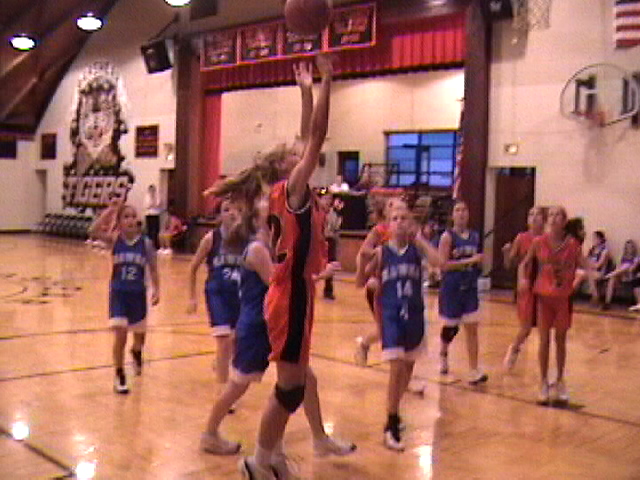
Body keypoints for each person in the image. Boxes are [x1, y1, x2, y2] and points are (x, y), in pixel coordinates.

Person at [205, 55, 335, 480]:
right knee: (290, 388)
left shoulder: (289, 188)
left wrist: (305, 90)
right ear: (287, 167)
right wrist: (327, 81)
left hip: (297, 290)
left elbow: (307, 136)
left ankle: (271, 457)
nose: (305, 155)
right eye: (296, 156)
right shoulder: (291, 189)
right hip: (289, 291)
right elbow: (316, 136)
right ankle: (259, 462)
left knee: (293, 384)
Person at [200, 197, 354, 459]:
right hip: (256, 328)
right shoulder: (257, 250)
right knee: (237, 385)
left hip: (273, 323)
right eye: (272, 213)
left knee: (306, 378)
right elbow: (279, 284)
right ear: (259, 220)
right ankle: (209, 433)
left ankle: (319, 438)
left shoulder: (272, 247)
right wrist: (320, 275)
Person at [359, 202, 440, 451]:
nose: (400, 222)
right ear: (389, 224)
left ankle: (394, 412)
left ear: (411, 223)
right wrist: (364, 267)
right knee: (396, 369)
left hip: (414, 316)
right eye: (395, 218)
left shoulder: (417, 249)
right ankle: (391, 423)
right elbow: (361, 280)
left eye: (404, 218)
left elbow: (439, 262)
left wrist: (421, 239)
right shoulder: (382, 252)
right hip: (392, 315)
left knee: (405, 373)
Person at [518, 206, 589, 404]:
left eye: (558, 215)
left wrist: (591, 274)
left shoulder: (572, 245)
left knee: (561, 340)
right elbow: (525, 263)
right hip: (544, 297)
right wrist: (523, 279)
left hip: (562, 298)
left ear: (564, 221)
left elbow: (585, 264)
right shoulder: (539, 242)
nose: (553, 217)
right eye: (551, 214)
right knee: (544, 340)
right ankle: (543, 382)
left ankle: (559, 380)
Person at [88, 204, 159, 394]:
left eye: (133, 216)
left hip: (138, 295)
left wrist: (156, 289)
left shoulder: (146, 244)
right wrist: (110, 211)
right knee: (120, 335)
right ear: (119, 222)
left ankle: (136, 351)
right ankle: (119, 373)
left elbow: (153, 269)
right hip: (119, 294)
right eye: (125, 216)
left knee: (139, 338)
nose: (130, 220)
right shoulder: (115, 240)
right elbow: (93, 231)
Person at [188, 197, 242, 387]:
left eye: (237, 209)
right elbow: (193, 267)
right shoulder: (211, 238)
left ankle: (221, 361)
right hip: (217, 293)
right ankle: (222, 390)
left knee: (236, 342)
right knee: (224, 340)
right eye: (227, 210)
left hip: (239, 294)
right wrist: (192, 298)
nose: (232, 213)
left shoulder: (248, 240)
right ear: (219, 216)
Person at [438, 200, 488, 385]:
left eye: (464, 210)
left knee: (472, 329)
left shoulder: (475, 236)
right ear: (452, 215)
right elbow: (443, 265)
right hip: (452, 288)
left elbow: (478, 261)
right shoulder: (447, 237)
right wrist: (469, 261)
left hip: (470, 288)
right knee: (451, 328)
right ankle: (443, 352)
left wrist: (479, 263)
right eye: (457, 210)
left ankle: (474, 370)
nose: (461, 213)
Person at [353, 197, 396, 366]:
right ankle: (365, 344)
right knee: (386, 329)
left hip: (399, 285)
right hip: (381, 286)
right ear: (385, 211)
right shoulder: (380, 230)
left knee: (393, 328)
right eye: (391, 205)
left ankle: (365, 344)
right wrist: (379, 253)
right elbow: (364, 251)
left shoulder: (406, 231)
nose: (395, 207)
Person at [502, 206, 546, 370]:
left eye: (538, 214)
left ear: (544, 220)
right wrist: (506, 253)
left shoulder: (548, 239)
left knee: (544, 327)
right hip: (526, 287)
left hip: (544, 288)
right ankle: (514, 348)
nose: (534, 217)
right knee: (526, 328)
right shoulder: (521, 238)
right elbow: (509, 265)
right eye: (531, 214)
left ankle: (544, 364)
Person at [603, 239, 640, 311]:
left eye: (631, 247)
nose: (629, 249)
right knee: (612, 279)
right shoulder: (622, 257)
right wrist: (620, 272)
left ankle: (607, 276)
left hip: (631, 276)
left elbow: (632, 269)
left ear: (633, 248)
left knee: (627, 265)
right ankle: (607, 303)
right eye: (627, 247)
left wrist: (626, 269)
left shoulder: (636, 258)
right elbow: (618, 268)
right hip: (621, 276)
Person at [320, 193, 342, 300]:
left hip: (330, 240)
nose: (327, 201)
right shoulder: (316, 212)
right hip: (318, 240)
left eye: (329, 199)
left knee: (330, 264)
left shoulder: (334, 214)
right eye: (325, 198)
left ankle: (328, 290)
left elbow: (336, 228)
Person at [585, 230, 614, 305]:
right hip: (592, 271)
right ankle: (570, 293)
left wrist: (590, 265)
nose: (593, 240)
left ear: (600, 239)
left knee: (589, 275)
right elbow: (585, 261)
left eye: (595, 238)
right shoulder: (591, 250)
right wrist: (589, 265)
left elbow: (598, 265)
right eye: (593, 238)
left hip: (602, 272)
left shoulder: (605, 251)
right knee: (578, 273)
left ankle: (595, 297)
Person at [144, 184, 162, 249]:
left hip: (156, 214)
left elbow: (158, 204)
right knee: (149, 230)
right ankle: (149, 245)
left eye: (153, 190)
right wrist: (152, 203)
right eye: (151, 190)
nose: (152, 191)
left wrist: (153, 202)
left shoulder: (157, 196)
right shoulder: (147, 196)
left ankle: (156, 246)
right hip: (149, 215)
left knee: (156, 230)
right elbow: (147, 205)